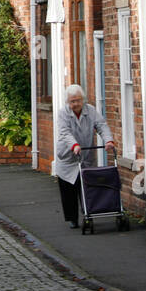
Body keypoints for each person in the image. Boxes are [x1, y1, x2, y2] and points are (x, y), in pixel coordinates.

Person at [53, 84, 115, 229]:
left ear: (83, 99)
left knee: (86, 187)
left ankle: (88, 213)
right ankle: (72, 218)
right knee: (69, 188)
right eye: (72, 101)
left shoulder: (91, 110)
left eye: (78, 100)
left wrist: (108, 140)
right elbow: (65, 132)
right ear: (68, 102)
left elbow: (101, 125)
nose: (76, 104)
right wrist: (74, 145)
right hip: (68, 155)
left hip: (85, 154)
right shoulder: (63, 113)